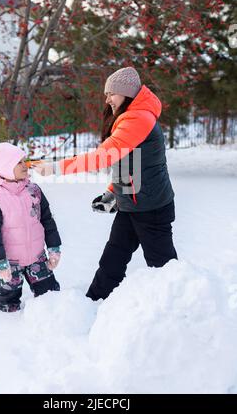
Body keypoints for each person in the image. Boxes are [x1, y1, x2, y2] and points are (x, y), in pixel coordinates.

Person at [33, 67, 177, 301]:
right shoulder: (131, 116)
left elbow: (104, 156)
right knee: (113, 258)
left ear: (126, 93)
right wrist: (113, 193)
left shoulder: (138, 118)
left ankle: (180, 308)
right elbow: (130, 163)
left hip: (151, 209)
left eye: (111, 93)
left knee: (164, 268)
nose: (107, 99)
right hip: (132, 205)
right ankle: (94, 301)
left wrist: (55, 167)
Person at [0, 137, 61, 312]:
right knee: (9, 300)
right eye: (18, 162)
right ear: (5, 167)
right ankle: (10, 329)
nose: (25, 165)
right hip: (9, 262)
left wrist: (54, 247)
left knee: (51, 295)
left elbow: (47, 220)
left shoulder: (34, 190)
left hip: (37, 257)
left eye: (24, 161)